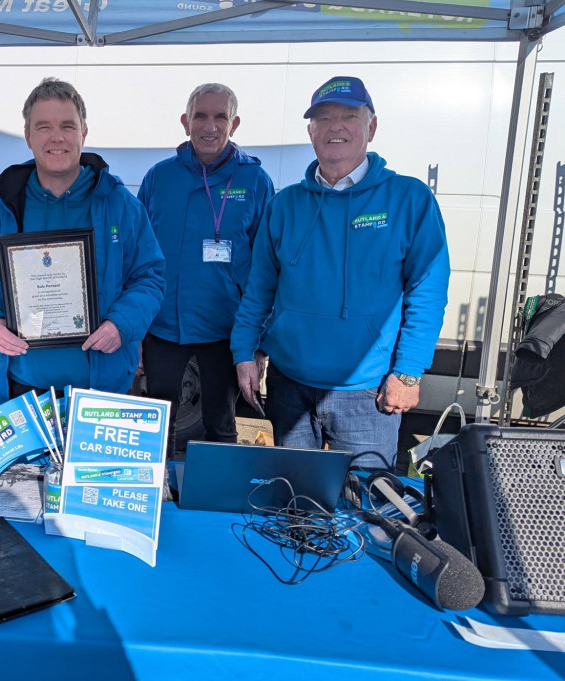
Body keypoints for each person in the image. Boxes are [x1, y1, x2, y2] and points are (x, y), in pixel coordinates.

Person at [231, 75, 450, 471]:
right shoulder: (285, 205)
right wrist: (245, 351)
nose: (336, 126)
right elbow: (259, 287)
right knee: (294, 507)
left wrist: (410, 372)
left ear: (372, 126)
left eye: (350, 115)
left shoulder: (409, 199)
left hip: (367, 393)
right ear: (311, 132)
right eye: (323, 118)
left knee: (367, 507)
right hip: (289, 384)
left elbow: (427, 290)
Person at [0, 77, 165, 403]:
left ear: (83, 133)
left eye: (68, 126)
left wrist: (122, 324)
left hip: (102, 389)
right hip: (23, 389)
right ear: (28, 136)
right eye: (43, 126)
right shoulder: (4, 211)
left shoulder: (120, 205)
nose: (57, 137)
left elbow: (151, 276)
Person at [138, 83, 274, 457]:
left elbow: (268, 267)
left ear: (235, 123)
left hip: (225, 332)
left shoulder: (255, 181)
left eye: (220, 117)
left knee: (221, 426)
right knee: (157, 428)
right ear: (185, 122)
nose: (209, 126)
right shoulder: (159, 178)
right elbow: (135, 256)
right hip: (163, 328)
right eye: (201, 116)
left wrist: (259, 342)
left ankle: (216, 504)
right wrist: (133, 329)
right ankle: (157, 503)